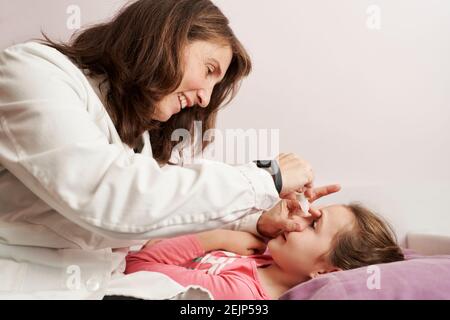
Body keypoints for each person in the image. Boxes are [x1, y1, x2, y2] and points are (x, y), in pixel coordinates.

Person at [0, 0, 337, 299]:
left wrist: (259, 219)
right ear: (165, 38)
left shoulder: (135, 135)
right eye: (209, 71)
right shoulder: (32, 72)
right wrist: (267, 178)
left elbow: (163, 204)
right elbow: (112, 198)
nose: (205, 98)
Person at [125, 202, 405, 300]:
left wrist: (215, 238)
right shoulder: (260, 253)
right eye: (310, 213)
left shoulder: (240, 293)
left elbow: (137, 265)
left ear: (324, 271)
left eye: (313, 225)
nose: (298, 220)